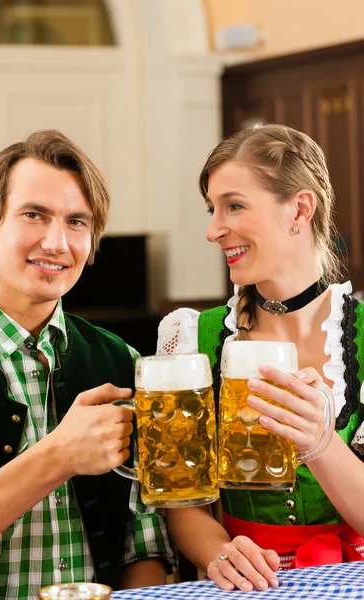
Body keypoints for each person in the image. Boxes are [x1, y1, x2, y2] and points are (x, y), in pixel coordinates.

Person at [0, 130, 175, 600]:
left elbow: (144, 548)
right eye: (34, 214)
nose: (57, 242)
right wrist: (58, 457)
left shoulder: (122, 361)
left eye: (76, 222)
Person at [157, 123, 364, 592]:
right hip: (247, 586)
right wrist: (218, 552)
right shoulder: (189, 337)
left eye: (234, 205)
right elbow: (182, 501)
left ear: (299, 208)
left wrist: (321, 444)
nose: (213, 231)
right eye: (212, 210)